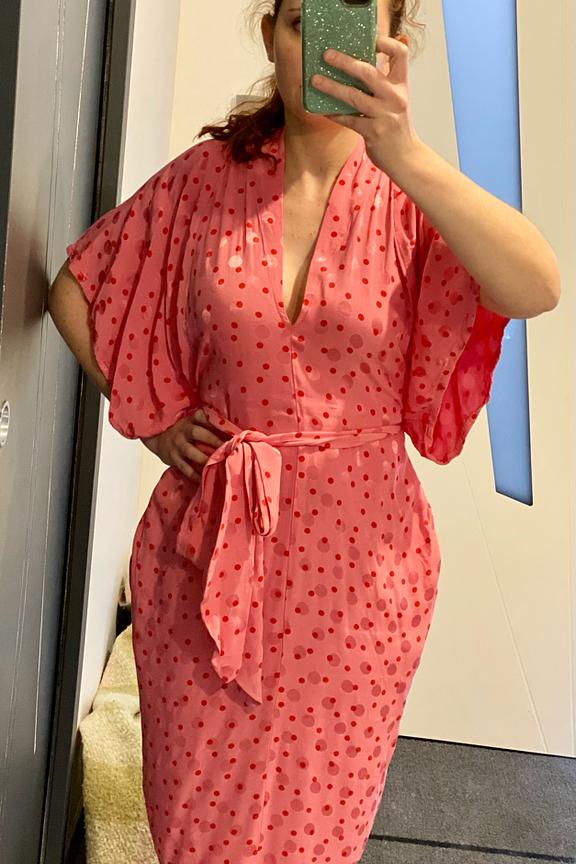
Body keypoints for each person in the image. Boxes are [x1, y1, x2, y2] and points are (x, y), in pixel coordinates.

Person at [48, 1, 559, 862]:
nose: (321, 48)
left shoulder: (411, 196)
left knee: (315, 825)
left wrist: (404, 153)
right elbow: (78, 288)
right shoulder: (206, 180)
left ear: (391, 43)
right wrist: (155, 420)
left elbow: (535, 283)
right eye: (300, 23)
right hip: (206, 557)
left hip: (359, 578)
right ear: (271, 38)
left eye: (351, 23)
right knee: (196, 818)